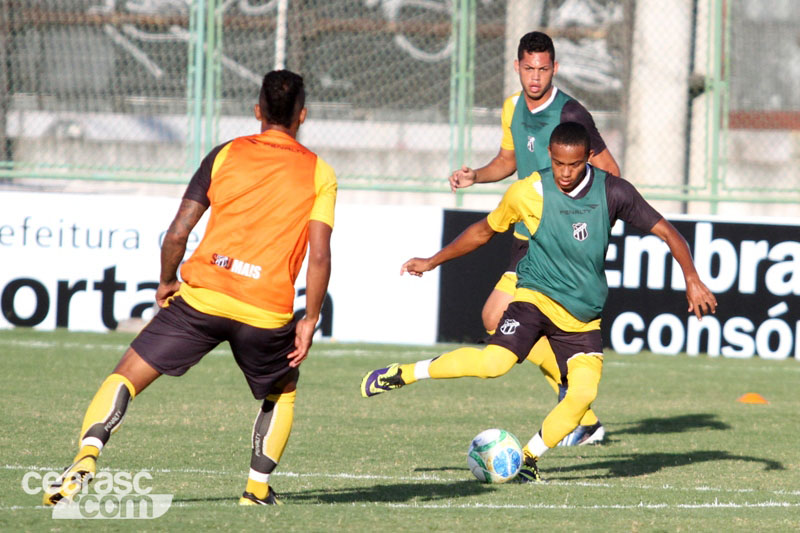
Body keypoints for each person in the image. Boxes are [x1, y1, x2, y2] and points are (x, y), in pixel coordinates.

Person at [361, 122, 717, 482]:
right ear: (549, 155)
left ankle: (528, 459)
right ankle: (404, 374)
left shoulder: (613, 191)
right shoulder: (526, 192)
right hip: (536, 296)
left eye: (574, 164)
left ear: (588, 157)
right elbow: (483, 232)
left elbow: (668, 232)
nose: (565, 173)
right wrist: (432, 261)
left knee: (582, 395)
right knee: (494, 363)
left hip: (583, 317)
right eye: (559, 163)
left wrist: (692, 278)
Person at [43, 70, 337, 506]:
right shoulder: (320, 172)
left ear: (257, 111)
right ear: (303, 116)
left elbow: (178, 232)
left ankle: (86, 457)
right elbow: (319, 256)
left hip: (201, 298)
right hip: (264, 310)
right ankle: (256, 490)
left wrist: (166, 281)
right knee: (282, 388)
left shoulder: (225, 154)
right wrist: (309, 319)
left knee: (126, 374)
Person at [450, 31, 620, 446]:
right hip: (525, 233)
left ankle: (581, 412)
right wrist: (477, 175)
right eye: (528, 68)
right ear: (517, 67)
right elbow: (508, 160)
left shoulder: (572, 114)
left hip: (555, 241)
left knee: (499, 320)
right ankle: (582, 414)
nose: (536, 77)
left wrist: (583, 223)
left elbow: (611, 173)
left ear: (555, 68)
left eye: (543, 69)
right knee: (496, 320)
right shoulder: (512, 107)